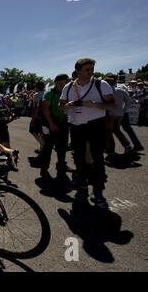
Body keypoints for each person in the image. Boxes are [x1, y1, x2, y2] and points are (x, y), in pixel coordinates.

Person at [59, 58, 115, 209]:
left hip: (96, 124)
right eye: (87, 69)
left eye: (92, 69)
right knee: (78, 156)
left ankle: (98, 191)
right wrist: (67, 106)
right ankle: (81, 184)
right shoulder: (69, 87)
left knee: (97, 158)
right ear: (78, 71)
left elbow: (112, 104)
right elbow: (61, 107)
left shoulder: (100, 84)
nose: (91, 72)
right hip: (76, 125)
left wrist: (95, 105)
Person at [39, 74, 71, 181]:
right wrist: (52, 124)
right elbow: (45, 109)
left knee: (62, 147)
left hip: (63, 123)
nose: (66, 83)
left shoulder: (66, 92)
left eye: (66, 82)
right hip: (51, 123)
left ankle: (61, 166)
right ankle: (44, 168)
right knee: (48, 147)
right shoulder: (49, 92)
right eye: (64, 82)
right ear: (57, 82)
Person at [103, 75, 132, 156]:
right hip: (119, 114)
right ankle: (127, 145)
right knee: (116, 130)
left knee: (108, 132)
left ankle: (110, 149)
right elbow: (129, 102)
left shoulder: (105, 92)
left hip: (109, 114)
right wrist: (123, 110)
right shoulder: (121, 90)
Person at [30, 81, 46, 155]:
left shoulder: (36, 95)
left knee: (32, 131)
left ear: (37, 87)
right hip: (46, 115)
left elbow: (35, 107)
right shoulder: (46, 93)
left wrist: (33, 119)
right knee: (41, 133)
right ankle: (42, 149)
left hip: (38, 116)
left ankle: (43, 145)